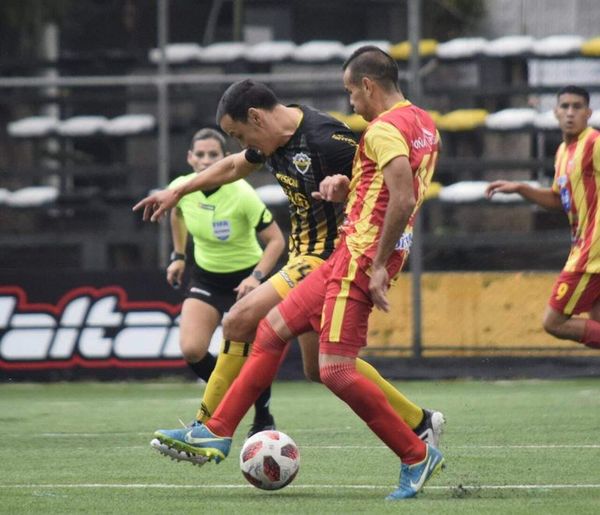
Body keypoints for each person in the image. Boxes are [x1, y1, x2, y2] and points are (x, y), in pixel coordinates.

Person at [150, 46, 444, 500]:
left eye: (351, 92)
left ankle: (413, 452)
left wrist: (381, 263)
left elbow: (400, 197)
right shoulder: (421, 122)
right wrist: (182, 189)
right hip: (343, 253)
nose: (350, 103)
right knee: (289, 348)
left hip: (348, 257)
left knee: (279, 341)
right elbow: (378, 183)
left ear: (367, 85)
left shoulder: (354, 133)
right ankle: (418, 423)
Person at [165, 128, 285, 443]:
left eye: (213, 155)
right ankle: (238, 393)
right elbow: (176, 214)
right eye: (200, 154)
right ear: (190, 158)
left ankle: (263, 416)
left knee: (255, 352)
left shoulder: (242, 193)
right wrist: (178, 256)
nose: (205, 161)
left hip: (246, 279)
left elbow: (275, 241)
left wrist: (255, 278)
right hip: (206, 277)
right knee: (191, 349)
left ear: (225, 159)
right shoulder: (180, 188)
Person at [486, 85, 600, 349]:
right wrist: (521, 188)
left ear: (588, 113)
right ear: (555, 112)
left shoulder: (593, 143)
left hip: (591, 253)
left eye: (577, 107)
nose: (570, 112)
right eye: (565, 106)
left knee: (554, 321)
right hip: (585, 248)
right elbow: (559, 200)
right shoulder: (563, 152)